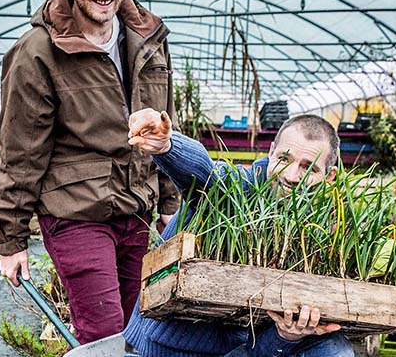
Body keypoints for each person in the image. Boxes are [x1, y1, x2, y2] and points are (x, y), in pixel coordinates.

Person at [0, 0, 181, 344]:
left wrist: (169, 204)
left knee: (141, 330)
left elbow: (166, 129)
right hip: (75, 212)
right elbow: (20, 150)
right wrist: (10, 238)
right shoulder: (39, 50)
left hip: (135, 209)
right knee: (106, 334)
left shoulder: (148, 41)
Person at [122, 108, 354, 357]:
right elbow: (205, 172)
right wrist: (167, 145)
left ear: (330, 176)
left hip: (241, 345)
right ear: (271, 150)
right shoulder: (236, 187)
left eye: (309, 168)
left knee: (334, 349)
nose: (291, 176)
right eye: (284, 159)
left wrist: (287, 334)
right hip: (173, 348)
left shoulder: (320, 225)